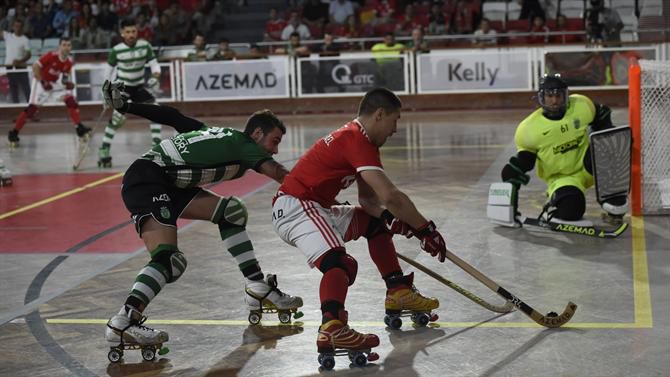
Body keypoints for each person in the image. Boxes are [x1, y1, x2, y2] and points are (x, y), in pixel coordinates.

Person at [101, 81, 303, 351]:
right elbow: (280, 174)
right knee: (169, 260)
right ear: (256, 134)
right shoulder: (245, 145)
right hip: (148, 180)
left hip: (166, 183)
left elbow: (171, 116)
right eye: (274, 141)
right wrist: (323, 197)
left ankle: (257, 286)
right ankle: (124, 321)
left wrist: (126, 106)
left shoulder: (214, 134)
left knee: (231, 212)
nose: (275, 150)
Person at [272, 88, 446, 360]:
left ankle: (398, 290)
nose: (395, 129)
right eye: (395, 120)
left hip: (313, 207)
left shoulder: (361, 141)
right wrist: (426, 230)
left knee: (373, 225)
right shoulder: (356, 139)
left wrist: (390, 220)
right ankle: (332, 328)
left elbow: (369, 202)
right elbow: (391, 197)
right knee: (338, 263)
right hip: (297, 206)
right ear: (379, 115)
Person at [499, 74, 627, 224]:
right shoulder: (528, 129)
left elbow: (602, 113)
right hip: (562, 178)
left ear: (566, 95)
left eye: (559, 95)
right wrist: (512, 185)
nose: (554, 101)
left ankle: (613, 204)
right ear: (541, 98)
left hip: (590, 166)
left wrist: (607, 138)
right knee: (571, 210)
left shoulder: (581, 105)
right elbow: (524, 161)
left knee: (609, 143)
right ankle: (554, 206)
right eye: (549, 96)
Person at [98, 17, 162, 168]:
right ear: (122, 33)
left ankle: (158, 149)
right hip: (123, 87)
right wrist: (106, 95)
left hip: (139, 87)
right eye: (128, 32)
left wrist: (154, 77)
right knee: (116, 119)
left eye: (133, 31)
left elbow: (155, 66)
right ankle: (104, 150)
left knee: (157, 112)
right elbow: (107, 74)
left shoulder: (145, 46)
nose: (131, 34)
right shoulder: (116, 51)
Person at [8, 37, 91, 147]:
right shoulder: (51, 56)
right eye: (64, 45)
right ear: (60, 46)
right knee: (31, 110)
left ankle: (79, 128)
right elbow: (35, 67)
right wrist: (43, 81)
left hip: (54, 84)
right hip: (40, 83)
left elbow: (64, 79)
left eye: (69, 45)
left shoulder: (69, 62)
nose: (66, 47)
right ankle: (14, 133)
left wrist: (68, 84)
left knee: (71, 101)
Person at [1, 19, 31, 104]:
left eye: (19, 26)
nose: (17, 28)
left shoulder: (25, 39)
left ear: (22, 27)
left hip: (21, 66)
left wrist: (20, 61)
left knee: (26, 86)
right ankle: (15, 105)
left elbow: (29, 54)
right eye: (16, 26)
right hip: (9, 66)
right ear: (13, 27)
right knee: (13, 86)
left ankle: (30, 105)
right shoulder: (8, 36)